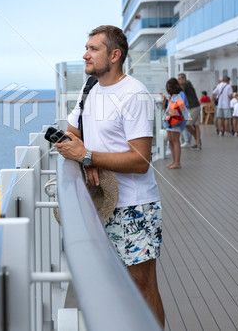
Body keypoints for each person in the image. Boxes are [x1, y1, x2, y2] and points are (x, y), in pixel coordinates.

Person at [54, 25, 165, 326]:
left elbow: (141, 161)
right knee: (112, 284)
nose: (84, 54)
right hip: (101, 203)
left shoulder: (134, 94)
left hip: (134, 205)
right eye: (86, 47)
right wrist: (84, 156)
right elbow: (73, 133)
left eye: (93, 49)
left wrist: (88, 156)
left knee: (141, 284)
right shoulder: (89, 87)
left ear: (114, 55)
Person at [162, 78, 189, 169]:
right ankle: (174, 161)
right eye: (168, 87)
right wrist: (167, 101)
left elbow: (181, 107)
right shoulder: (173, 95)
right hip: (170, 120)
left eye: (170, 87)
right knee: (170, 140)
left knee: (175, 140)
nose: (169, 89)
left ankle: (177, 162)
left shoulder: (181, 94)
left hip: (176, 120)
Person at [177, 73, 201, 150]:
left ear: (184, 78)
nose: (179, 80)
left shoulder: (186, 83)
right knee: (195, 125)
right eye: (178, 79)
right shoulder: (187, 83)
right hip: (193, 106)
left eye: (180, 79)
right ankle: (198, 143)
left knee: (187, 125)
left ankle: (198, 141)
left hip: (193, 107)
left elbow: (181, 93)